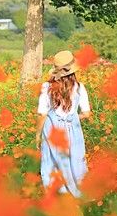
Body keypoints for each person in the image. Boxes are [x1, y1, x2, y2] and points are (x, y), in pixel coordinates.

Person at [36, 50, 92, 197]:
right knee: (76, 162)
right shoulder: (80, 87)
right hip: (73, 129)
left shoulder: (47, 87)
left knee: (51, 163)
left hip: (52, 130)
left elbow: (42, 113)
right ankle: (79, 197)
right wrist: (72, 118)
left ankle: (59, 200)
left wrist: (37, 135)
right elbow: (86, 113)